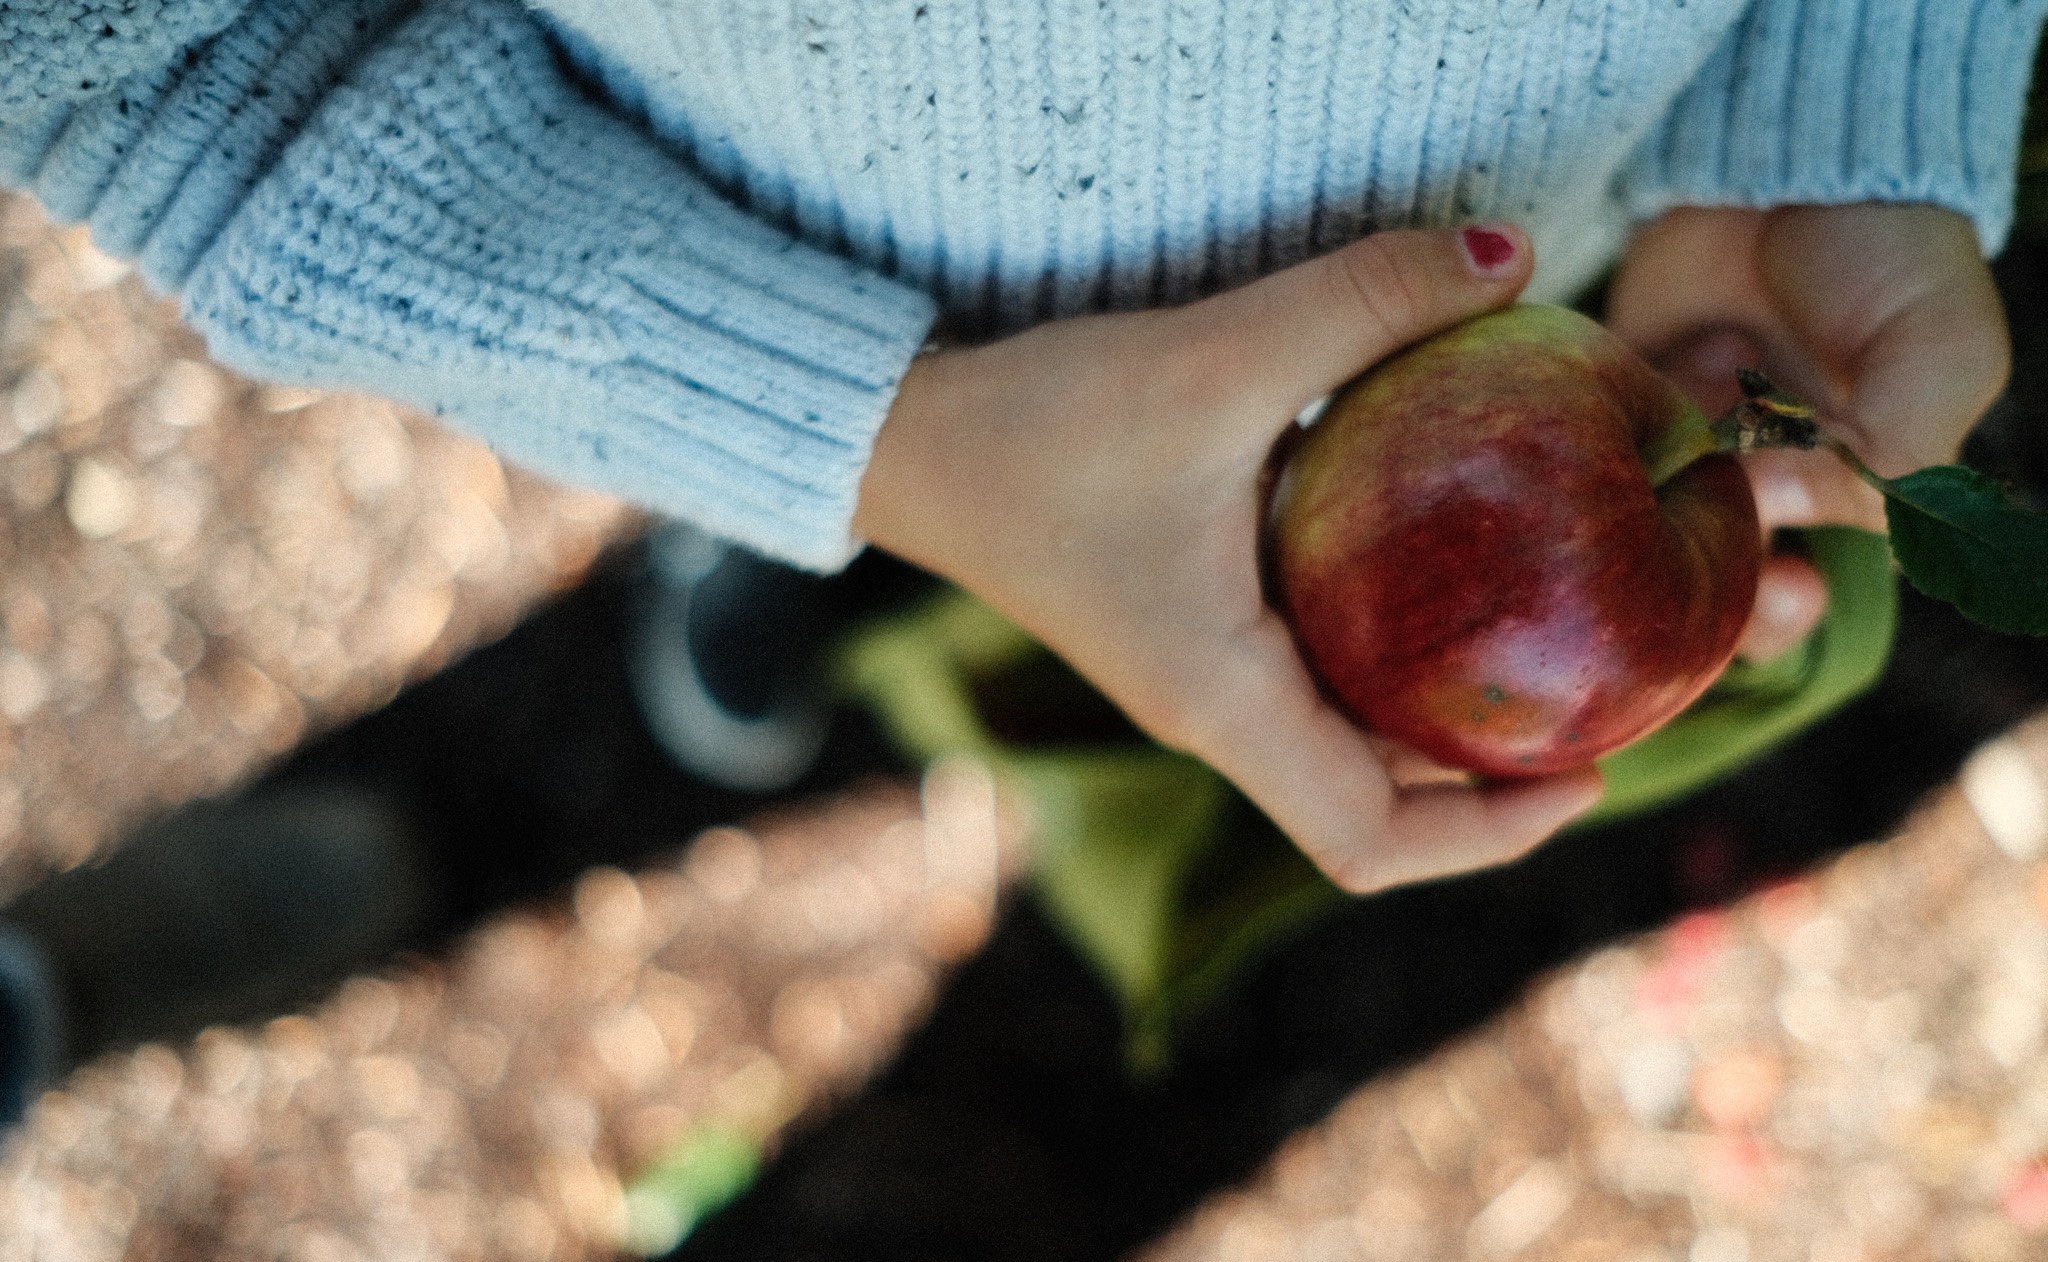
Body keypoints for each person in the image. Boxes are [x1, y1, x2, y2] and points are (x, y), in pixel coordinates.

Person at [2, 0, 2037, 897]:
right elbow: (179, 73)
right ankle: (822, 529)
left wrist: (1822, 108)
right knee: (841, 502)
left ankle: (887, 544)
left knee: (1101, 570)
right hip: (743, 279)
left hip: (1553, 287)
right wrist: (867, 427)